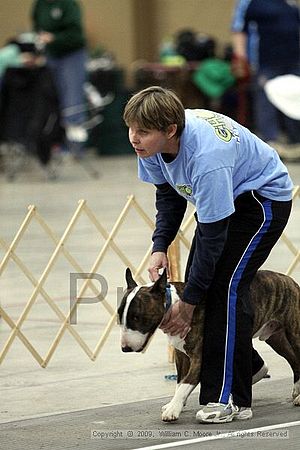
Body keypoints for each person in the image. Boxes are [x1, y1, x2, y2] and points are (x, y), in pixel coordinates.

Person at [123, 86, 293, 423]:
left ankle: (229, 398)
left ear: (170, 130)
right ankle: (250, 367)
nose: (133, 138)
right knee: (200, 291)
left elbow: (213, 238)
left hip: (262, 200)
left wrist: (188, 303)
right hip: (224, 197)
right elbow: (170, 197)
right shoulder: (152, 148)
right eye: (130, 128)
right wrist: (159, 245)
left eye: (142, 131)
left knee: (224, 288)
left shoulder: (206, 160)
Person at [231, 0, 300, 161]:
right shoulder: (250, 2)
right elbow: (239, 28)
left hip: (292, 60)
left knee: (293, 98)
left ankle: (295, 140)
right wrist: (240, 57)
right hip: (265, 61)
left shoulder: (289, 3)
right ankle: (271, 142)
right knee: (266, 100)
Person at [31, 0, 88, 156]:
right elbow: (36, 26)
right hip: (51, 55)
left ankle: (76, 146)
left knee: (72, 100)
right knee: (52, 99)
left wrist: (55, 37)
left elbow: (76, 34)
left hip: (72, 54)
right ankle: (57, 143)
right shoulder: (40, 4)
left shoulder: (68, 4)